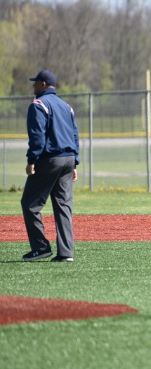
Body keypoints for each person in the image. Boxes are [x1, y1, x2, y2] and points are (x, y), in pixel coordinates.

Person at [21, 70, 80, 262]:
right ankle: (66, 253)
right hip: (68, 159)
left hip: (50, 159)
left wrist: (31, 160)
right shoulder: (66, 106)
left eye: (36, 82)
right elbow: (74, 135)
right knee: (63, 206)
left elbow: (37, 137)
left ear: (44, 84)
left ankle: (40, 248)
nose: (34, 86)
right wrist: (75, 163)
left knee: (30, 204)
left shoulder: (38, 105)